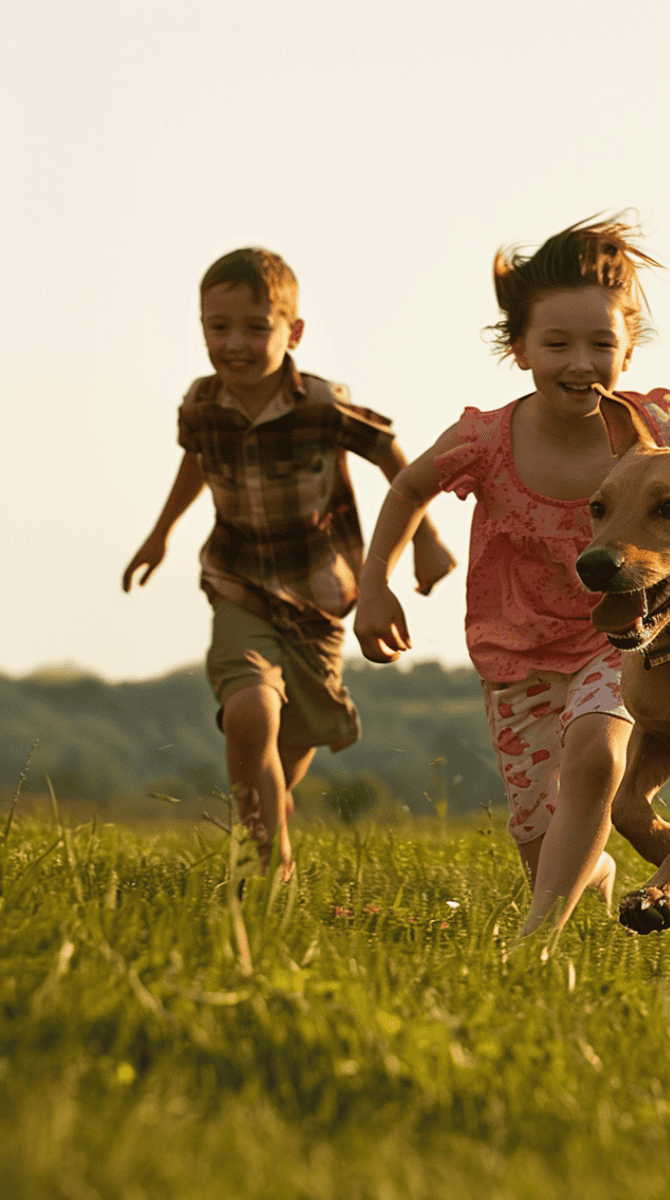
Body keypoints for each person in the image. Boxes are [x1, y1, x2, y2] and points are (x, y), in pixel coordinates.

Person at [355, 218, 670, 936]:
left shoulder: (653, 433)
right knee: (540, 836)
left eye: (602, 343)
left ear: (628, 348)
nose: (582, 362)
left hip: (618, 639)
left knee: (598, 751)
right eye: (557, 344)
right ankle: (587, 874)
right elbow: (407, 489)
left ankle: (535, 941)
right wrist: (377, 581)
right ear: (519, 349)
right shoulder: (486, 440)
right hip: (518, 658)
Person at [123, 247, 455, 877]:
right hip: (237, 584)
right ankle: (264, 860)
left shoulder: (321, 405)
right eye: (218, 328)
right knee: (249, 713)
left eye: (256, 327)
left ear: (292, 331)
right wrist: (160, 533)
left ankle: (273, 804)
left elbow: (392, 455)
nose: (234, 344)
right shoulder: (200, 404)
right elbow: (196, 460)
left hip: (320, 594)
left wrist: (426, 537)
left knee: (296, 734)